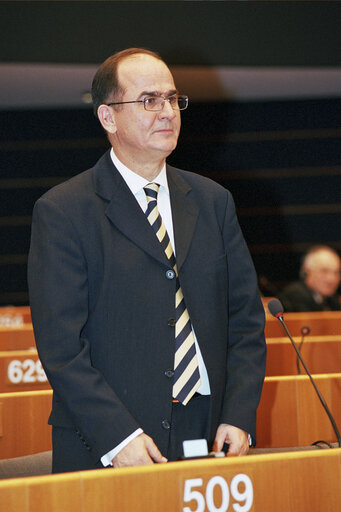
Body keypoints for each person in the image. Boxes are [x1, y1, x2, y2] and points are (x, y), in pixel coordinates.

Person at [28, 48, 266, 473]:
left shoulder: (213, 202)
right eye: (149, 100)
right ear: (108, 118)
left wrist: (238, 414)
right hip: (110, 439)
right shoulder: (64, 210)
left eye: (173, 99)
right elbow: (62, 348)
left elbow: (245, 321)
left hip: (208, 432)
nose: (168, 112)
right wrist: (118, 437)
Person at [278, 245, 341, 312]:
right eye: (324, 271)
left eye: (337, 272)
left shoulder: (332, 299)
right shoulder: (294, 297)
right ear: (307, 271)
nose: (331, 279)